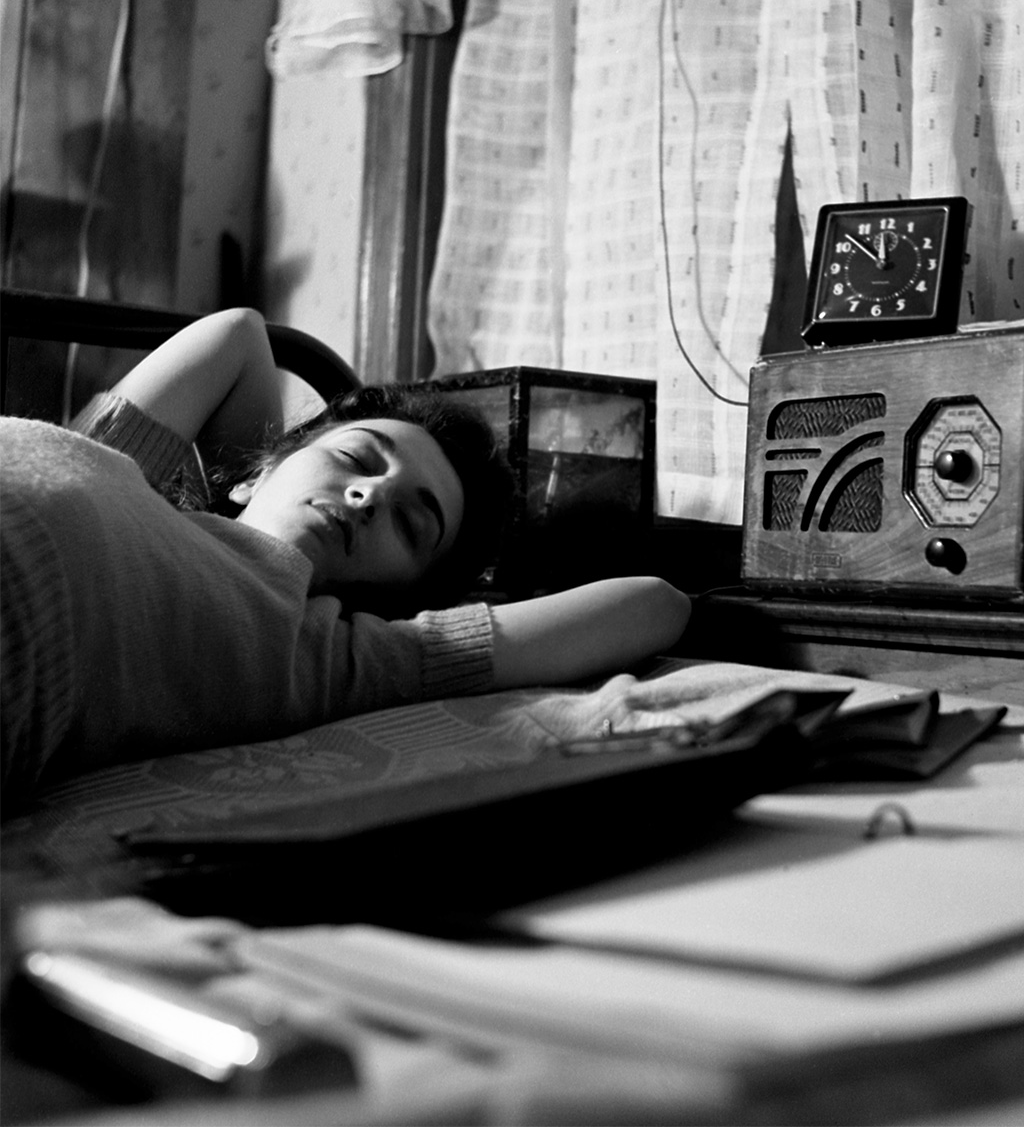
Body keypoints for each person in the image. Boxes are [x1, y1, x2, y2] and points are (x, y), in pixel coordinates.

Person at [0, 308, 691, 803]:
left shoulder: (329, 656)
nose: (367, 495)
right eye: (357, 457)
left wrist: (435, 621)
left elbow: (656, 604)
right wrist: (248, 485)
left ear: (403, 589)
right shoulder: (129, 471)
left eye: (413, 524)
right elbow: (238, 333)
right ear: (249, 471)